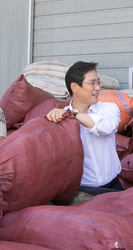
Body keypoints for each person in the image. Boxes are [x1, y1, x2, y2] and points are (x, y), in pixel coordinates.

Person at [46, 61, 122, 190]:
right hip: (81, 191)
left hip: (113, 187)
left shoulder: (108, 109)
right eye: (92, 83)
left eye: (98, 83)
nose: (98, 88)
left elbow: (107, 128)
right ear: (75, 87)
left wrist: (72, 115)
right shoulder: (61, 118)